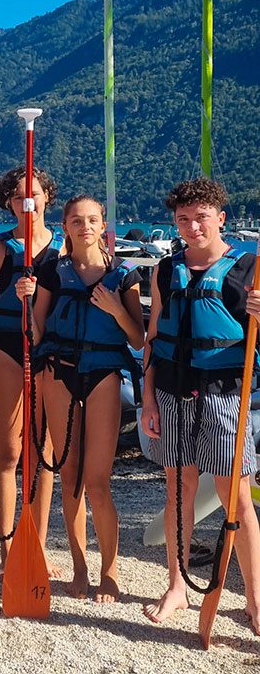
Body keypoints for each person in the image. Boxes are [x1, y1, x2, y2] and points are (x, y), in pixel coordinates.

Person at [141, 179, 260, 631]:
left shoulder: (249, 269)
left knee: (238, 500)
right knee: (179, 490)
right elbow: (154, 339)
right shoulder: (166, 270)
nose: (192, 227)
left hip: (226, 396)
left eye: (202, 217)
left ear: (221, 218)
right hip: (171, 394)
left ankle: (255, 598)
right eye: (183, 219)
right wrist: (148, 398)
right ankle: (177, 586)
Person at [23, 195, 144, 602]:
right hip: (58, 373)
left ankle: (109, 572)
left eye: (92, 220)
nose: (85, 226)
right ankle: (79, 568)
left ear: (103, 224)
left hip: (103, 375)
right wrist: (26, 302)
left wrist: (115, 309)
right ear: (66, 225)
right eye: (77, 220)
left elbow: (137, 337)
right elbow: (36, 330)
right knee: (69, 477)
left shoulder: (123, 276)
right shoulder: (52, 273)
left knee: (97, 481)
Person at [0, 166, 63, 575]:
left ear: (47, 198)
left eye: (35, 194)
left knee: (44, 455)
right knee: (10, 451)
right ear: (8, 202)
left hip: (51, 351)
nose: (28, 202)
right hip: (9, 348)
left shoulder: (63, 248)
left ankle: (35, 547)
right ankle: (9, 549)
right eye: (19, 196)